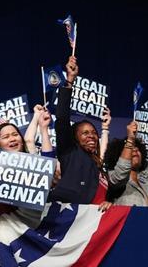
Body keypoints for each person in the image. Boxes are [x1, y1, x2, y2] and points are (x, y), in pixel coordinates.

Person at [47, 56, 113, 211]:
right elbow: (62, 119)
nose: (91, 135)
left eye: (93, 132)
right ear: (74, 138)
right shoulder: (70, 151)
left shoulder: (100, 165)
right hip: (72, 221)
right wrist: (69, 81)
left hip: (95, 222)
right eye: (84, 133)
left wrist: (109, 202)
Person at [103, 102, 148, 207]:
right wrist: (130, 139)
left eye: (137, 149)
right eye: (131, 150)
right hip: (129, 222)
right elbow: (121, 171)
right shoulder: (113, 176)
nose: (135, 150)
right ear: (119, 156)